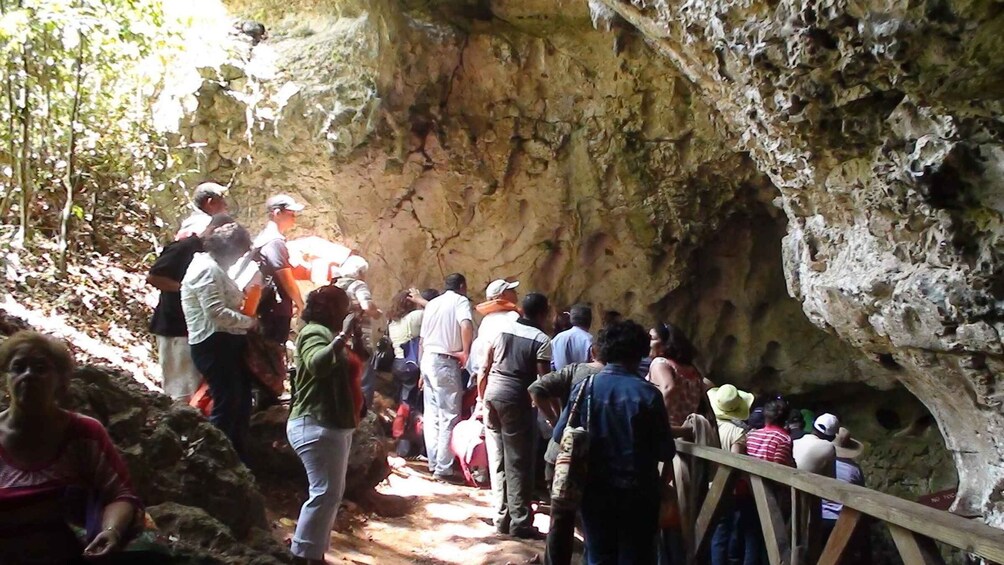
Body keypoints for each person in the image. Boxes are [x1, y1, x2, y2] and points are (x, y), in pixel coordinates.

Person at [0, 332, 143, 563]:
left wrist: (110, 532)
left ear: (61, 381)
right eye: (18, 367)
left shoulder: (84, 432)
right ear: (6, 378)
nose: (28, 375)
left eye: (40, 368)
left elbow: (120, 495)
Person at [553, 320, 674, 564]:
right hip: (639, 494)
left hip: (594, 489)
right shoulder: (649, 395)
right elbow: (665, 450)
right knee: (636, 557)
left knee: (598, 554)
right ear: (640, 352)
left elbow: (559, 435)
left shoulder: (585, 387)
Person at [287, 284, 364, 565]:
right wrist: (342, 336)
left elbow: (355, 363)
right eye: (344, 306)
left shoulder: (327, 334)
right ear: (332, 309)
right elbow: (317, 364)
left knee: (330, 494)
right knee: (323, 493)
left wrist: (352, 335)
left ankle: (312, 553)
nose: (347, 311)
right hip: (315, 422)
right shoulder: (313, 332)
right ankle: (302, 555)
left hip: (331, 424)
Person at [478, 292, 552, 539]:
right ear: (543, 313)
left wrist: (481, 397)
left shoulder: (501, 329)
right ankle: (520, 521)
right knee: (518, 461)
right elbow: (543, 381)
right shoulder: (541, 339)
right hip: (516, 399)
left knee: (497, 457)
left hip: (492, 394)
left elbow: (484, 367)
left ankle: (501, 517)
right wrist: (551, 413)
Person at [528, 332, 607, 565]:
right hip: (593, 458)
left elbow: (536, 388)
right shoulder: (618, 379)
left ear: (593, 352)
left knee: (560, 519)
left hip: (561, 454)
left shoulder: (576, 370)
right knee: (592, 521)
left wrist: (554, 421)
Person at [181, 221, 257, 458]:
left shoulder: (213, 267)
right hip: (213, 344)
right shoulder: (206, 269)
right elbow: (215, 313)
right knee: (227, 402)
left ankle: (236, 454)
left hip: (224, 343)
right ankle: (215, 457)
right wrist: (249, 322)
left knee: (239, 400)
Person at [148, 213, 234, 403]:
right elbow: (154, 277)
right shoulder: (184, 248)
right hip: (174, 327)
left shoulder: (208, 254)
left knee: (194, 387)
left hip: (194, 328)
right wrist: (188, 289)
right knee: (179, 389)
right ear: (213, 230)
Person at [419, 273, 474, 481]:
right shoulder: (460, 301)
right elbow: (466, 325)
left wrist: (421, 369)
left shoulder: (432, 304)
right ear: (462, 285)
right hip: (446, 360)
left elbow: (422, 339)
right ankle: (444, 467)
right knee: (449, 415)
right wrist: (466, 352)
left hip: (428, 359)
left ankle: (434, 462)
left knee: (432, 414)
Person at [707, 385, 757, 565]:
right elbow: (735, 463)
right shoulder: (737, 432)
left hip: (707, 484)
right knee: (723, 533)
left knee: (711, 532)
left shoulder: (709, 426)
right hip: (726, 488)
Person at [253, 194, 306, 353]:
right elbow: (285, 277)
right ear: (277, 213)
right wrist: (300, 303)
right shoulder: (274, 241)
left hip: (267, 307)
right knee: (272, 353)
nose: (294, 217)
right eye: (291, 213)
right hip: (275, 308)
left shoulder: (263, 238)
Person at [334, 255, 382, 407]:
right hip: (358, 340)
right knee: (365, 378)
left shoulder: (334, 286)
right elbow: (366, 305)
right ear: (360, 272)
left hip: (338, 340)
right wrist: (376, 313)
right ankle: (363, 413)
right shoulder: (358, 285)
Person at [821, 427, 869, 564]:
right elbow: (861, 494)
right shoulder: (854, 469)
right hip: (843, 519)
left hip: (820, 516)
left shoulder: (824, 462)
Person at [648, 322, 708, 430]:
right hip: (685, 433)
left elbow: (668, 387)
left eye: (652, 338)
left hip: (665, 430)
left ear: (664, 344)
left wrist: (654, 420)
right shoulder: (693, 371)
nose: (647, 342)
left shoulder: (660, 363)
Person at [468, 279, 521, 378]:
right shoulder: (513, 317)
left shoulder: (486, 320)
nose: (516, 293)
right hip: (504, 371)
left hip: (484, 369)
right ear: (503, 294)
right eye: (512, 290)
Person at [550, 304, 592, 371]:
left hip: (560, 380)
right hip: (582, 380)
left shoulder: (556, 339)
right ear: (589, 320)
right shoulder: (589, 340)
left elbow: (551, 365)